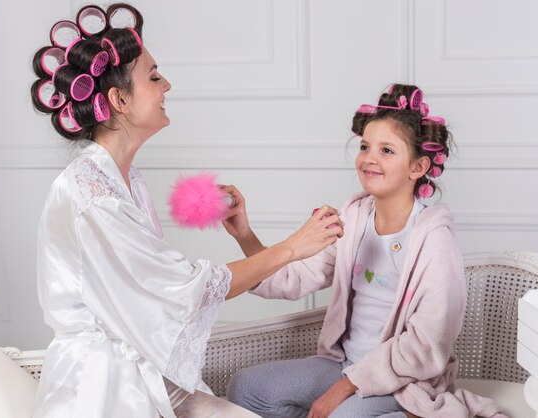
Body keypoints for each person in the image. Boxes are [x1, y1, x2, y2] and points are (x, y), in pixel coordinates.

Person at [30, 3, 344, 418]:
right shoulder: (93, 197)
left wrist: (248, 236)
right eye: (154, 76)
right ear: (119, 99)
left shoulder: (124, 180)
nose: (168, 86)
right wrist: (292, 247)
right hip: (100, 390)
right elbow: (185, 288)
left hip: (142, 370)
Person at [224, 84, 507, 418]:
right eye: (364, 146)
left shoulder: (434, 241)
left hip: (404, 381)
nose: (369, 158)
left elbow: (426, 346)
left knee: (340, 416)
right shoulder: (353, 220)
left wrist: (341, 392)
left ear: (417, 168)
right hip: (343, 364)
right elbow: (293, 278)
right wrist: (244, 234)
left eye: (387, 150)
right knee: (246, 388)